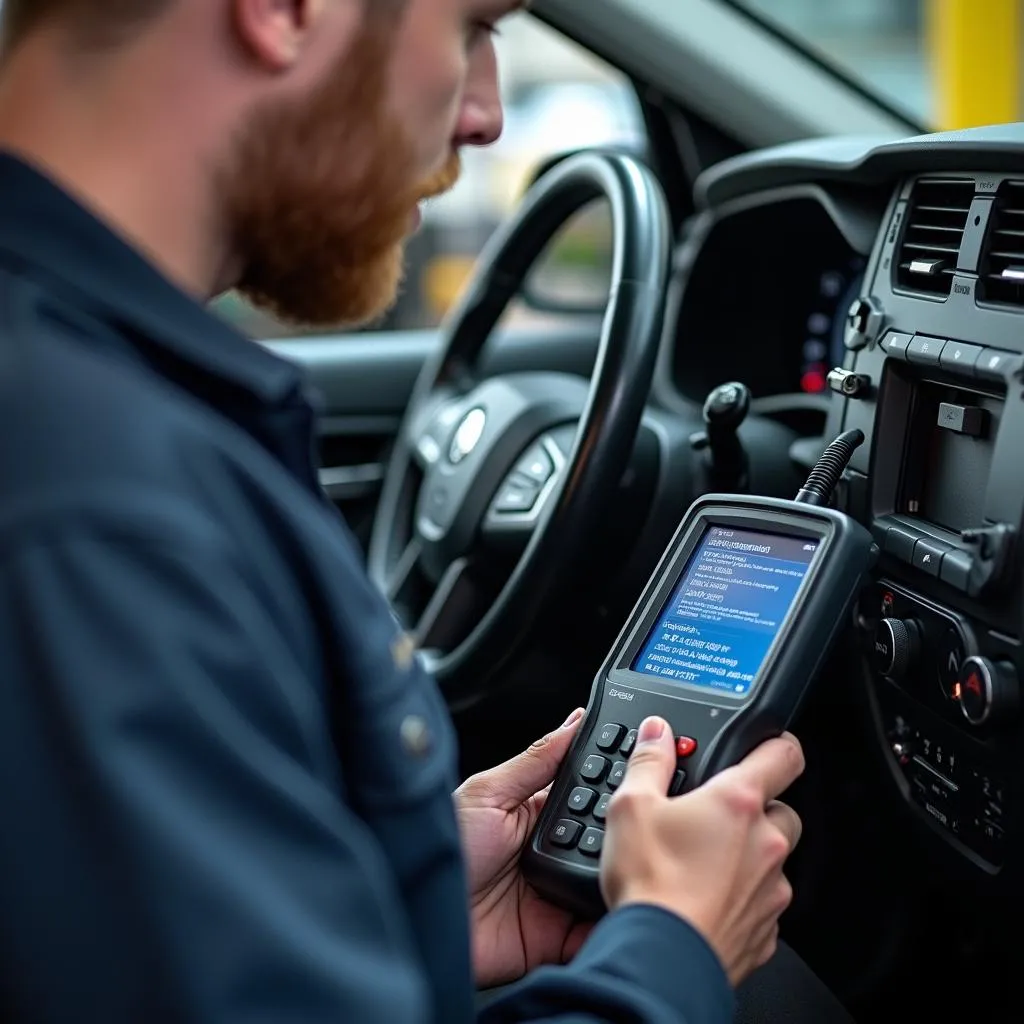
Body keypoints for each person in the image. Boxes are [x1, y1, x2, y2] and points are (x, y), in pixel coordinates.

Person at [0, 1, 854, 1021]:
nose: (486, 112)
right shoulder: (98, 506)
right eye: (468, 28)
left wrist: (400, 903)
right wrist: (672, 955)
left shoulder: (92, 403)